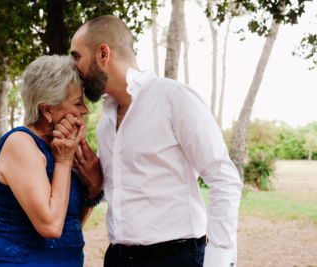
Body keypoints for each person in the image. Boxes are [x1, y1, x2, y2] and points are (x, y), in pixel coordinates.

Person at [68, 15, 244, 267]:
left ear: (103, 54)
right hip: (118, 258)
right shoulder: (106, 120)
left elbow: (223, 178)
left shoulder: (174, 99)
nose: (75, 68)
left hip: (175, 259)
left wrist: (218, 260)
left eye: (77, 57)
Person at [0, 55, 103, 266]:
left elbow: (70, 226)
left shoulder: (59, 146)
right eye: (77, 102)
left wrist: (93, 192)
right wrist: (64, 161)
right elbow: (51, 227)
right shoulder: (20, 144)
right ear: (47, 110)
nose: (85, 110)